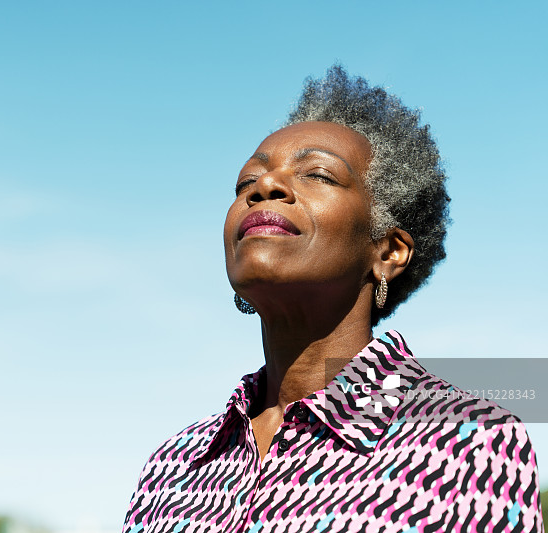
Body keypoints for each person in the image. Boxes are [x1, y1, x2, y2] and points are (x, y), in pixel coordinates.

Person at [120, 66, 543, 532]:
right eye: (246, 184)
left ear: (388, 250)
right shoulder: (174, 465)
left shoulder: (466, 440)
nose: (265, 188)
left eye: (318, 174)